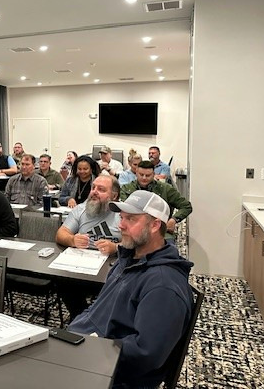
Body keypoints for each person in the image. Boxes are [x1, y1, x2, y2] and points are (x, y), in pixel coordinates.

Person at [69, 191, 193, 388]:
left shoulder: (163, 286)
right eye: (122, 217)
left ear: (155, 225)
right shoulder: (128, 259)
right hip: (86, 348)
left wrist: (91, 349)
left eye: (131, 219)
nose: (121, 225)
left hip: (112, 375)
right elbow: (96, 309)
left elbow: (145, 354)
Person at [56, 174, 121, 319]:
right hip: (83, 265)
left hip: (111, 267)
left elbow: (135, 243)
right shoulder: (80, 210)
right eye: (93, 188)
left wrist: (115, 247)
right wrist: (72, 240)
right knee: (63, 281)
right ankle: (81, 318)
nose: (94, 192)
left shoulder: (122, 214)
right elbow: (61, 234)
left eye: (101, 189)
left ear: (114, 196)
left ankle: (98, 319)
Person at [120, 161, 192, 238]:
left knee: (167, 243)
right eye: (141, 175)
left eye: (148, 175)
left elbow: (186, 206)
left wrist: (174, 220)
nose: (144, 178)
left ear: (153, 174)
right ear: (136, 173)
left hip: (160, 230)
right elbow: (124, 211)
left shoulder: (165, 189)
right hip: (134, 230)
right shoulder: (126, 189)